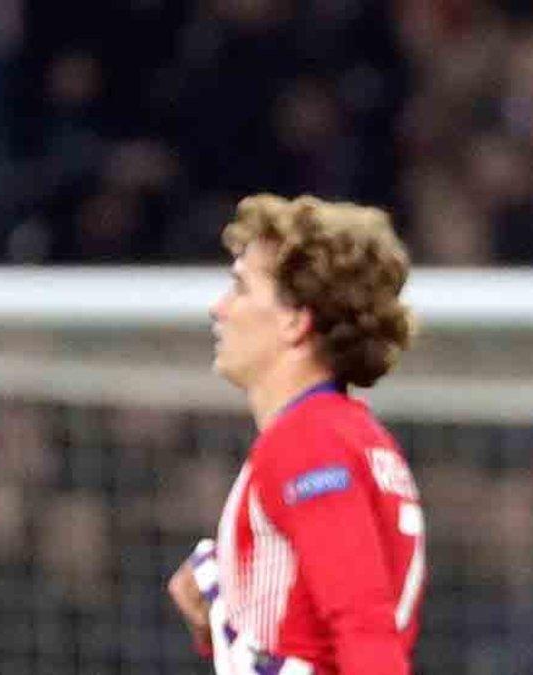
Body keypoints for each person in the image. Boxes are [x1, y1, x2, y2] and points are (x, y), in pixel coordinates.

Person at [167, 194, 425, 674]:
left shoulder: (310, 441)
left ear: (295, 319)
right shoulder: (352, 434)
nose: (218, 308)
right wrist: (222, 600)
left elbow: (362, 627)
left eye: (240, 288)